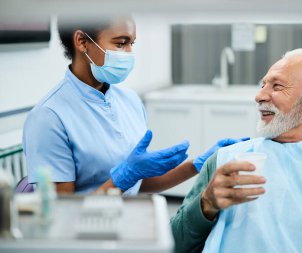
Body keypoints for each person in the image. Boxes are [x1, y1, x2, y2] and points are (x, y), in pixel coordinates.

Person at [171, 48, 302, 253]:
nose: (259, 96)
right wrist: (205, 204)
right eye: (262, 85)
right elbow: (174, 244)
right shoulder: (225, 163)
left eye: (277, 86)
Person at [22, 15, 247, 195]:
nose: (129, 53)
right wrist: (124, 177)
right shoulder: (49, 117)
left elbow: (141, 182)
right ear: (82, 41)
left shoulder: (129, 101)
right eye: (121, 43)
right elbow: (60, 218)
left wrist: (199, 164)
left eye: (132, 43)